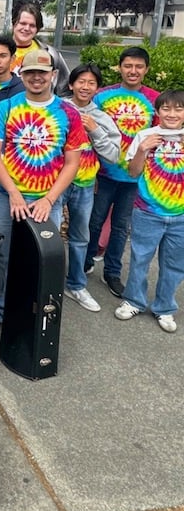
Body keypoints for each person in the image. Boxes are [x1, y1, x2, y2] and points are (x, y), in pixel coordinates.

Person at [0, 49, 88, 336]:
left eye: (42, 72)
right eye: (30, 73)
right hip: (7, 197)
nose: (36, 78)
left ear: (53, 75)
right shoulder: (8, 107)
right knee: (0, 253)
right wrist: (12, 192)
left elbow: (73, 161)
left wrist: (50, 199)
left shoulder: (68, 113)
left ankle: (30, 307)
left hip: (46, 200)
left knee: (39, 257)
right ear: (21, 75)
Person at [85, 47, 159, 298]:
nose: (133, 71)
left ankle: (112, 272)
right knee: (94, 221)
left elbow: (161, 137)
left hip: (135, 177)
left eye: (139, 67)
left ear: (146, 70)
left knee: (120, 227)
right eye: (128, 66)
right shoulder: (102, 96)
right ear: (120, 67)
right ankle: (84, 263)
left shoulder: (154, 99)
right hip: (103, 173)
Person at [114, 90, 184, 334]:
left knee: (175, 264)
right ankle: (134, 301)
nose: (172, 114)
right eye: (166, 109)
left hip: (181, 216)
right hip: (147, 212)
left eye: (178, 109)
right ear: (158, 112)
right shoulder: (145, 135)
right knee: (140, 258)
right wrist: (143, 149)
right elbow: (133, 172)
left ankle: (165, 307)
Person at [61, 64, 120, 312]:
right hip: (55, 183)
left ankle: (75, 284)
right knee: (48, 237)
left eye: (91, 83)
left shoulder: (101, 118)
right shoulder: (58, 107)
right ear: (71, 84)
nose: (85, 87)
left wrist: (94, 130)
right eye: (81, 81)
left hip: (84, 184)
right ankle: (44, 282)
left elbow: (113, 155)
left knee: (80, 238)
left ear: (97, 87)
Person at [8, 3, 69, 96]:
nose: (27, 28)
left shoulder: (51, 54)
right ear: (14, 24)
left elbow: (65, 91)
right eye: (23, 23)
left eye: (32, 25)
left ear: (37, 29)